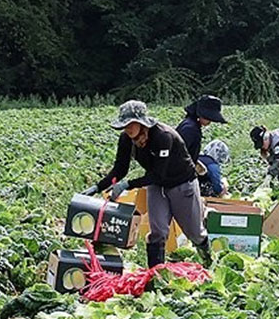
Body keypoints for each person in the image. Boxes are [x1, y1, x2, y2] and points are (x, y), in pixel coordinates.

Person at [82, 100, 210, 267]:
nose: (127, 129)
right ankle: (155, 274)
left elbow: (159, 173)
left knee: (194, 232)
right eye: (124, 125)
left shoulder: (163, 136)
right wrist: (98, 187)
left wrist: (128, 185)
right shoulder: (126, 139)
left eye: (131, 124)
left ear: (142, 123)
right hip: (156, 185)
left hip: (181, 182)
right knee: (157, 232)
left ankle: (207, 259)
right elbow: (120, 168)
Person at [177, 94, 228, 164]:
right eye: (208, 118)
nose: (210, 122)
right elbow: (178, 154)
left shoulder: (191, 124)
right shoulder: (190, 129)